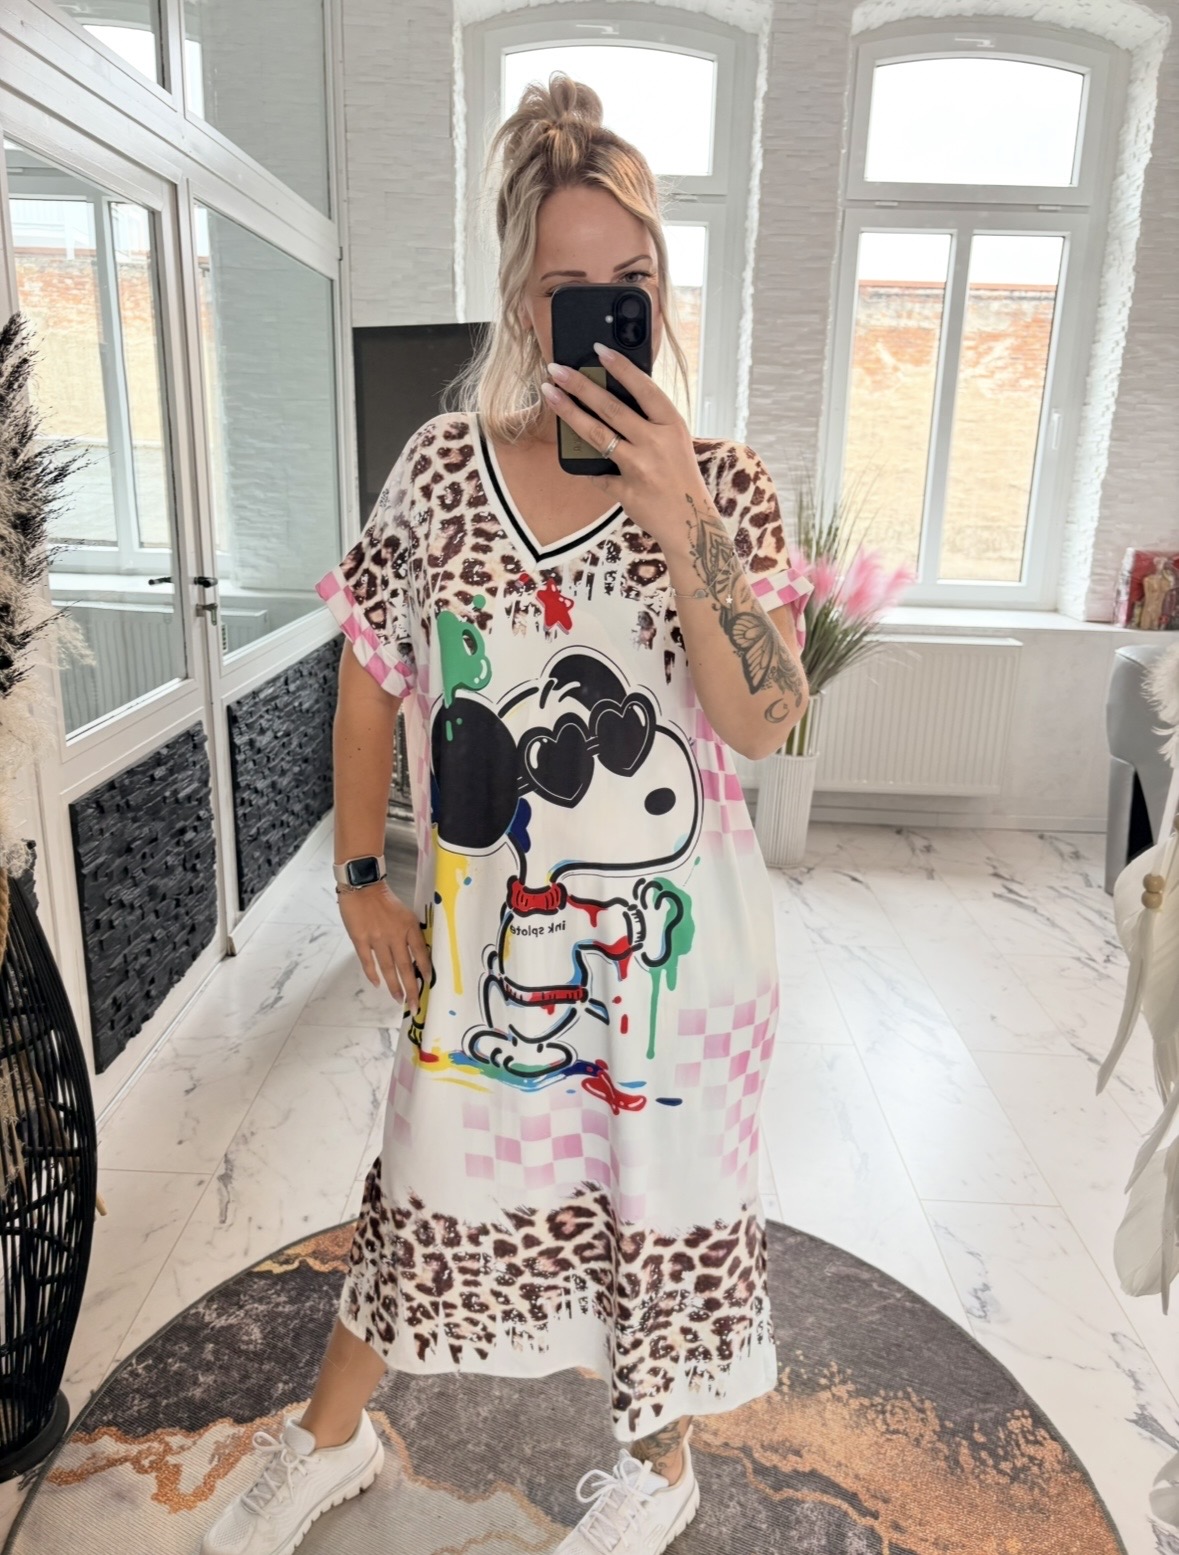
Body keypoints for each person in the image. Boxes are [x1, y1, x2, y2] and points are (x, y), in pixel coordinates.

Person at [201, 73, 812, 1555]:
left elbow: (768, 718)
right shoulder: (438, 473)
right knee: (422, 1181)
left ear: (660, 291)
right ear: (522, 303)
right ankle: (329, 1440)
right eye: (568, 287)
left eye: (632, 279)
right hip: (487, 954)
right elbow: (370, 678)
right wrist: (360, 874)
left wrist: (681, 516)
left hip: (674, 966)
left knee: (650, 1210)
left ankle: (660, 1469)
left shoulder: (725, 484)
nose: (605, 312)